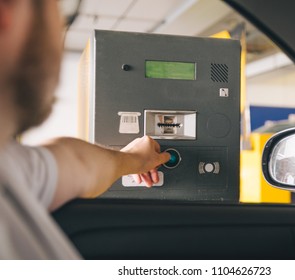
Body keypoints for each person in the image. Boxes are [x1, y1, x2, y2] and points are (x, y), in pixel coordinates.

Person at [0, 0, 170, 259]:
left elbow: (77, 162)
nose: (60, 32)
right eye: (61, 13)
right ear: (7, 13)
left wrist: (136, 158)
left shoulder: (11, 167)